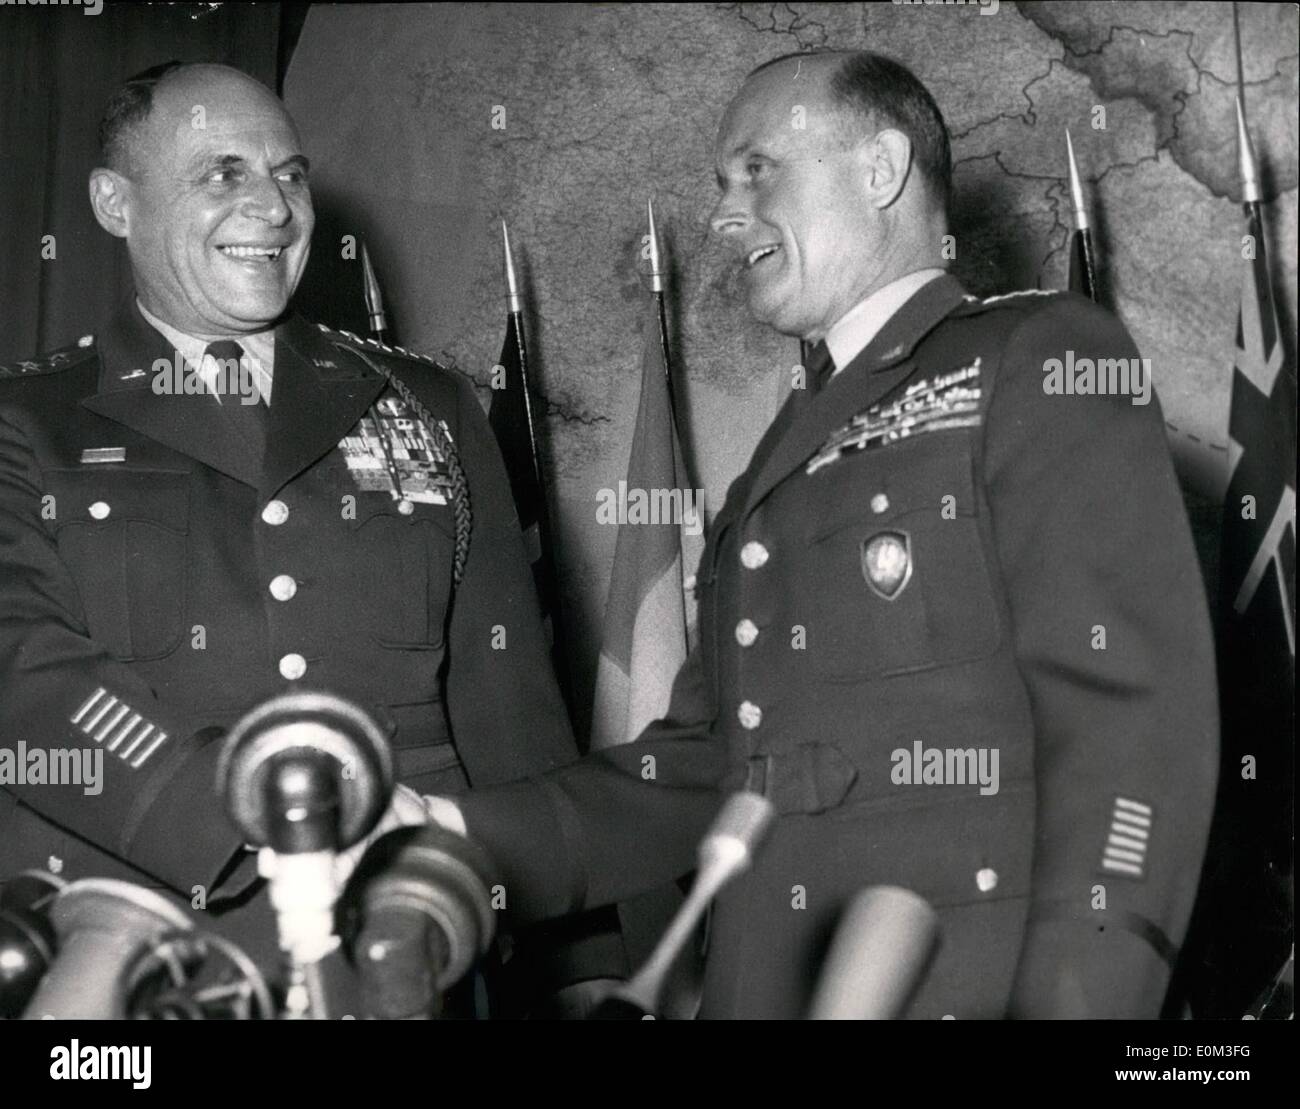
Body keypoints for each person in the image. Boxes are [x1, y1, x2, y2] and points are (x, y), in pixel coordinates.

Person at [427, 50, 1221, 1018]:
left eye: (756, 170)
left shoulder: (1036, 354)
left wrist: (1085, 1000)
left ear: (879, 169)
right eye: (721, 185)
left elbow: (1128, 728)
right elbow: (705, 764)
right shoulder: (787, 444)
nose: (722, 215)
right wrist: (445, 830)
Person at [0, 61, 621, 1010]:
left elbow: (511, 709)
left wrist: (582, 964)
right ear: (114, 203)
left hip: (405, 953)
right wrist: (263, 817)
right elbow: (27, 680)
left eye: (289, 175)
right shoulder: (28, 420)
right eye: (221, 174)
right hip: (142, 954)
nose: (274, 208)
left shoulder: (429, 404)